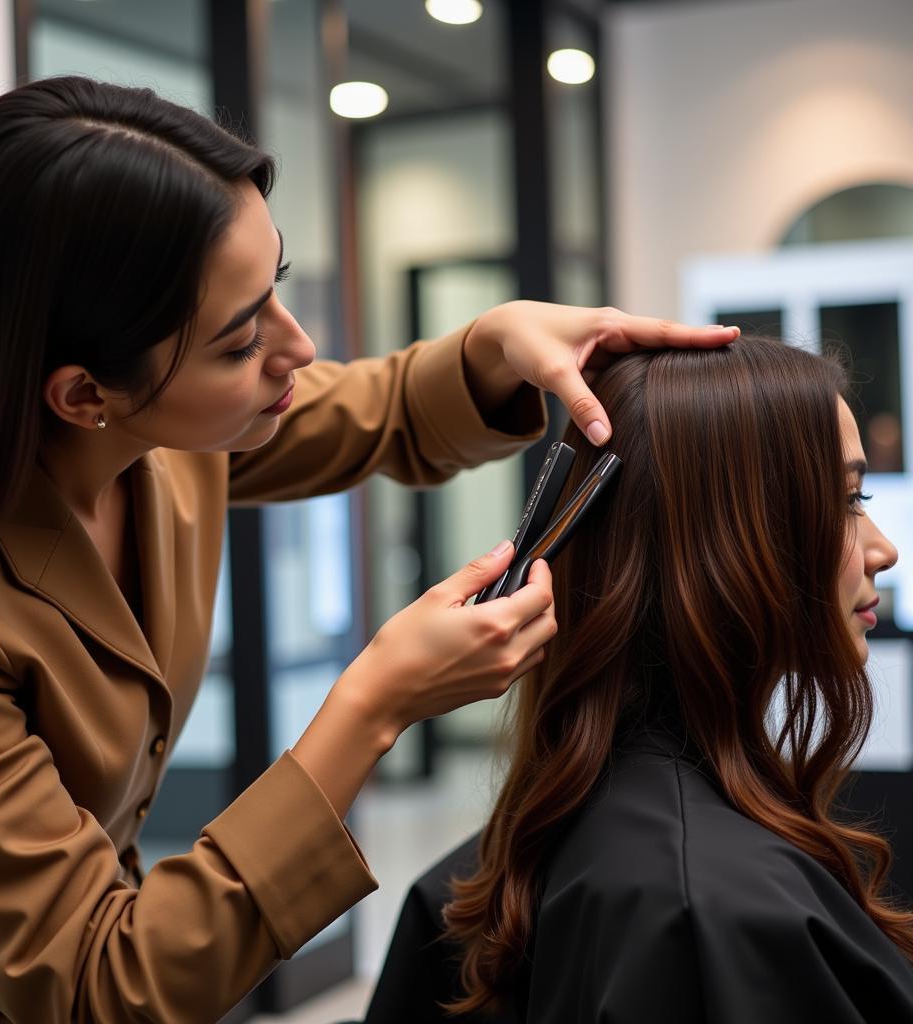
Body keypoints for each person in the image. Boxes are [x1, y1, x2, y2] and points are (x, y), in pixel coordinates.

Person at [0, 76, 738, 1023]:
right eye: (240, 338)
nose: (298, 348)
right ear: (85, 395)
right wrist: (374, 705)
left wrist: (500, 339)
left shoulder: (163, 434)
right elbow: (106, 984)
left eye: (277, 286)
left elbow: (378, 411)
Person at [365, 336, 913, 1024]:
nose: (882, 550)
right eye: (847, 500)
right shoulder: (707, 914)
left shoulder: (521, 852)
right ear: (725, 542)